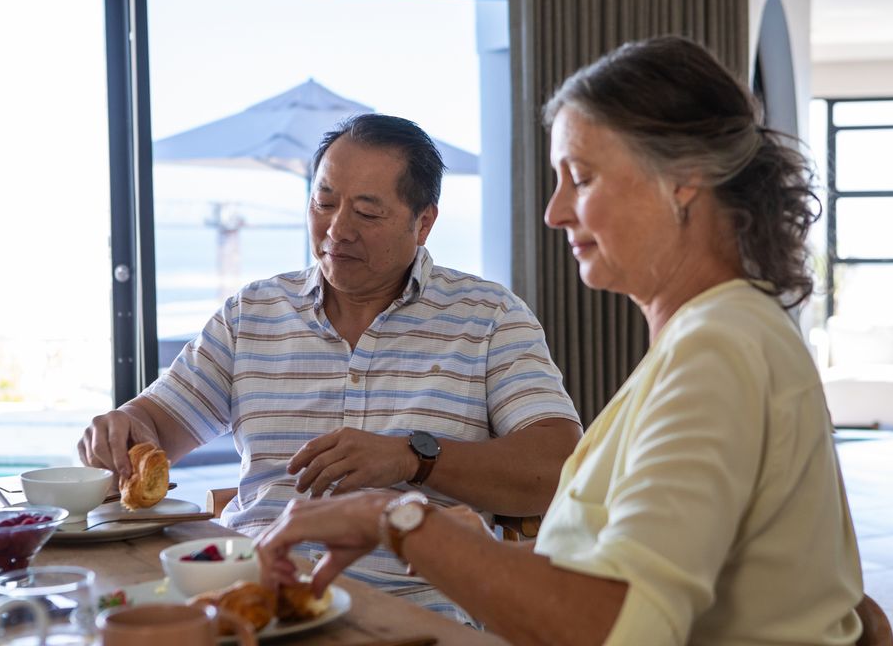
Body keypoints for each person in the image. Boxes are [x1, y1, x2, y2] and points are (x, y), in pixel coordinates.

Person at [255, 37, 865, 645]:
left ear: (683, 180)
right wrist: (467, 550)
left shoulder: (719, 351)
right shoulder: (725, 333)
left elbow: (615, 627)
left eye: (581, 177)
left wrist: (391, 517)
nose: (554, 211)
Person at [78, 114, 582, 623]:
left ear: (424, 222)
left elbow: (558, 468)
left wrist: (413, 458)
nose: (337, 230)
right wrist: (123, 429)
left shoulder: (489, 316)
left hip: (411, 611)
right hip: (250, 598)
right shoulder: (251, 314)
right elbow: (156, 425)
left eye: (367, 212)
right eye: (324, 203)